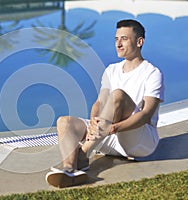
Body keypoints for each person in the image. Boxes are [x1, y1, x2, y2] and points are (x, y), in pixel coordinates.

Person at [46, 19, 164, 188]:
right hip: (108, 136)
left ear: (139, 42)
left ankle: (83, 154)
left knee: (118, 95)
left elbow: (146, 116)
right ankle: (70, 169)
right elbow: (99, 103)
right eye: (116, 39)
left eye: (124, 39)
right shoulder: (111, 70)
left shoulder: (152, 73)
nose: (118, 44)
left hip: (140, 142)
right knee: (64, 122)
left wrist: (113, 128)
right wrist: (94, 122)